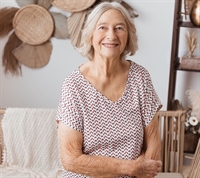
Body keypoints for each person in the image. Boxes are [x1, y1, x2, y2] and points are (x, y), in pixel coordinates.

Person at [56, 1, 162, 178]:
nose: (111, 36)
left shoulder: (140, 78)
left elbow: (154, 145)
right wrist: (130, 168)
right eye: (102, 27)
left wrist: (142, 172)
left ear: (128, 35)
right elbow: (70, 159)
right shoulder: (73, 86)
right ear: (90, 35)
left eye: (119, 28)